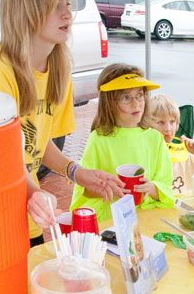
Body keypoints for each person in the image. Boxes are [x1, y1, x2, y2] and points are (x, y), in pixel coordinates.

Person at [0, 0, 123, 246]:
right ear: (27, 8)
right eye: (54, 4)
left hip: (25, 216)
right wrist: (32, 193)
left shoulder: (58, 68)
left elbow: (38, 143)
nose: (67, 14)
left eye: (68, 3)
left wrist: (77, 173)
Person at [70, 63, 174, 222]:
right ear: (110, 103)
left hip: (145, 218)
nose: (136, 103)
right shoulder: (99, 139)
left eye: (139, 95)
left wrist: (153, 188)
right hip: (111, 219)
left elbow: (166, 185)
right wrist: (105, 187)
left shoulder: (155, 139)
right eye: (126, 97)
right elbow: (84, 190)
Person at [146, 94, 194, 196]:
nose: (168, 129)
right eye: (161, 122)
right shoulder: (147, 154)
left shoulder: (185, 154)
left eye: (172, 122)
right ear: (148, 126)